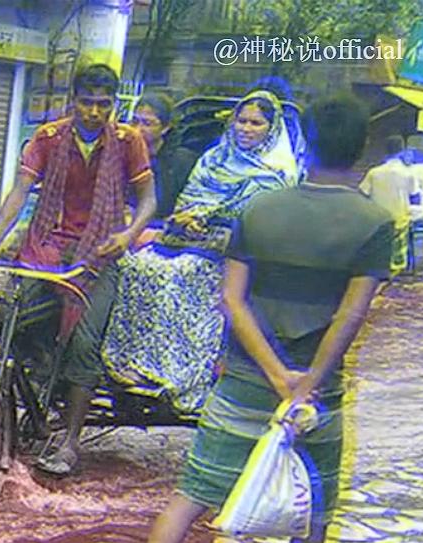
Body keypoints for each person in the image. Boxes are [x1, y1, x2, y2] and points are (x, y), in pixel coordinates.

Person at [128, 93, 394, 543]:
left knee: (193, 492)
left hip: (244, 378)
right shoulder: (376, 224)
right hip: (316, 395)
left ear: (305, 142)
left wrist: (273, 375)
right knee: (314, 515)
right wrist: (305, 383)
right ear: (360, 148)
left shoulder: (259, 209)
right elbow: (351, 315)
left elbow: (232, 300)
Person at [0, 63, 157, 477]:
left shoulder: (128, 140)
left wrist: (129, 232)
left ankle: (70, 441)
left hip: (100, 252)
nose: (94, 112)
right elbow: (21, 190)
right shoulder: (47, 138)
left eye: (103, 104)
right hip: (47, 245)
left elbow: (149, 199)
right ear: (72, 101)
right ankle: (42, 383)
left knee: (83, 341)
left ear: (114, 104)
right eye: (87, 102)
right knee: (9, 318)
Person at [103, 90, 301, 414]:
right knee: (136, 265)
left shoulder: (279, 171)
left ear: (271, 129)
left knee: (176, 275)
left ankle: (172, 373)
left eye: (256, 123)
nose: (246, 128)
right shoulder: (212, 159)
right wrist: (187, 218)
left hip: (234, 254)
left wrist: (211, 218)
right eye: (242, 120)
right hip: (186, 240)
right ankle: (128, 362)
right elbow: (189, 198)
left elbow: (261, 218)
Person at [131, 92, 198, 220]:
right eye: (134, 122)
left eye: (147, 123)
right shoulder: (123, 154)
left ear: (165, 128)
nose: (137, 130)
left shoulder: (183, 160)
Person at [358, 135, 418, 274]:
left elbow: (362, 193)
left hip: (376, 222)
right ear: (402, 150)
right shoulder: (408, 173)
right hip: (400, 221)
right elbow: (415, 197)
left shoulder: (374, 172)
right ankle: (400, 268)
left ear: (385, 150)